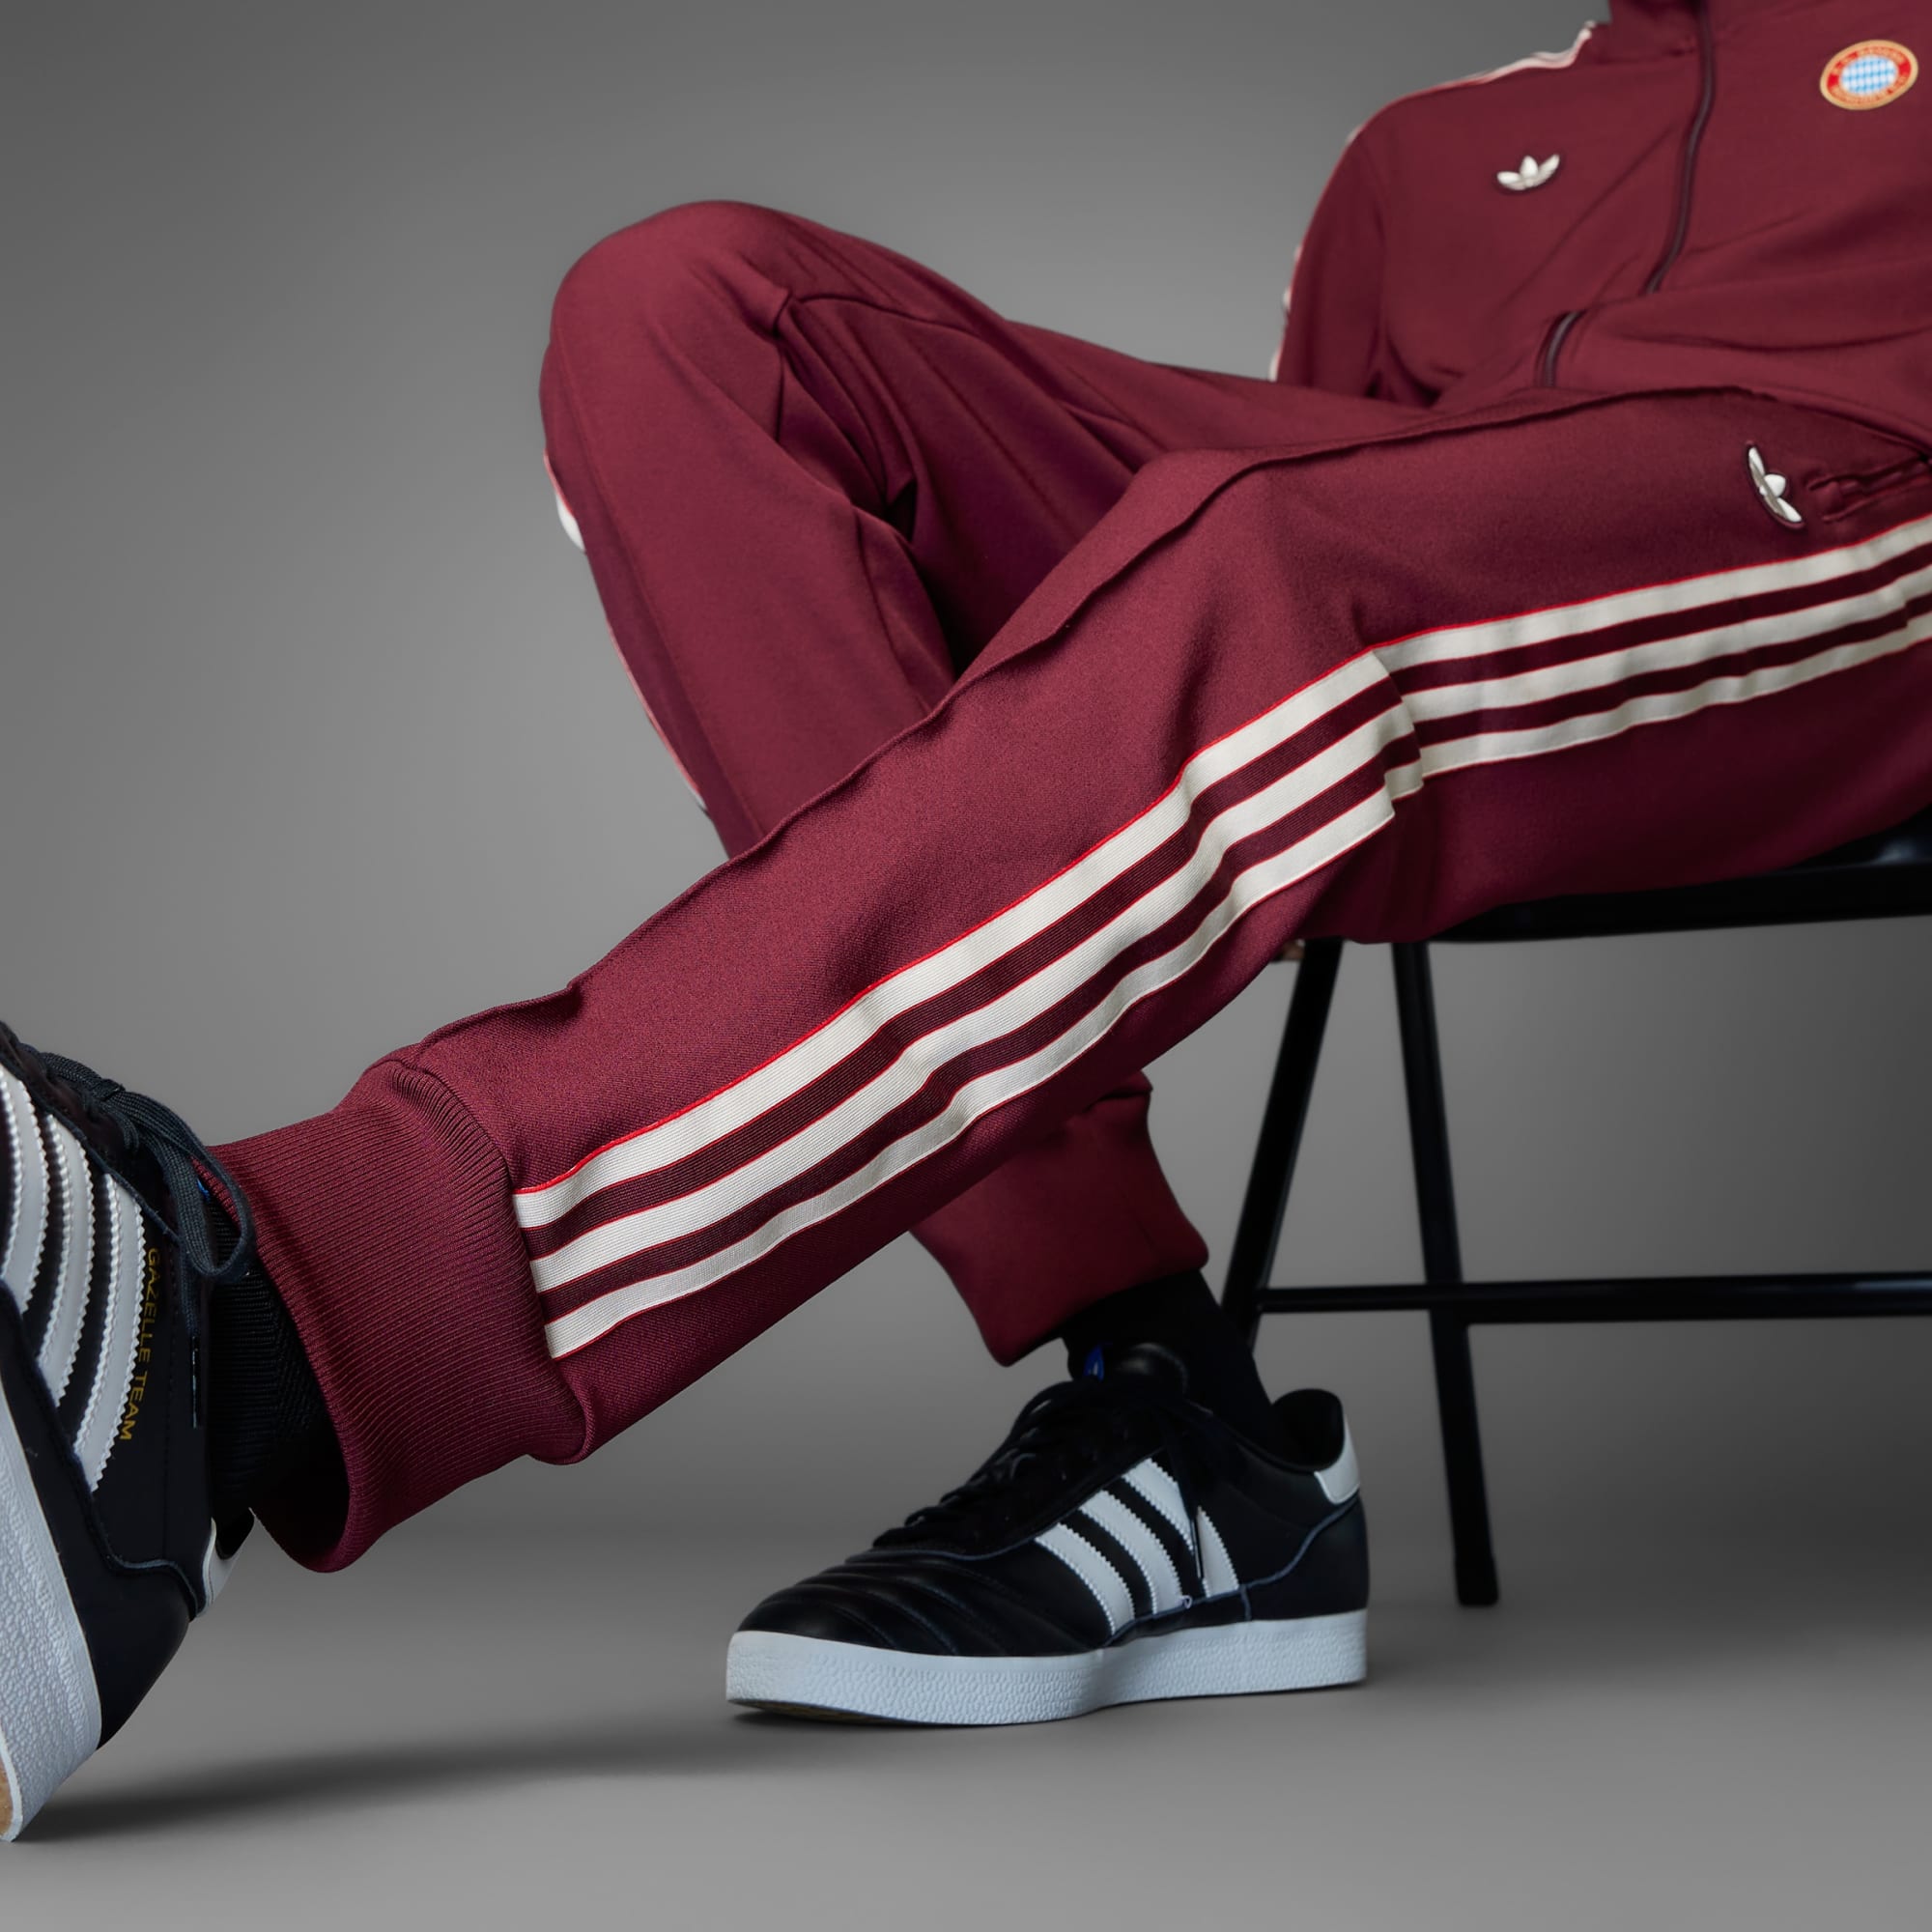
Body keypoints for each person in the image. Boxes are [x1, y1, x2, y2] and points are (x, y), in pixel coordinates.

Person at [3, 0, 1928, 1839]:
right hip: (1453, 596)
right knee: (679, 312)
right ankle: (1158, 1387)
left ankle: (281, 1323)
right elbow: (1345, 516)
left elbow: (1321, 566)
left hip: (1858, 536)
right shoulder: (1429, 155)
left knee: (1276, 560)